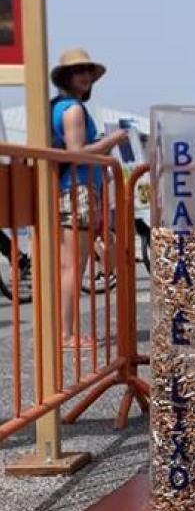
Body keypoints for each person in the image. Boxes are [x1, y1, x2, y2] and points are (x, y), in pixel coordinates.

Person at [50, 48, 128, 350]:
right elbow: (76, 150)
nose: (84, 76)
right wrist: (112, 141)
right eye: (78, 71)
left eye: (86, 71)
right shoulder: (73, 110)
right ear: (68, 77)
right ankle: (67, 334)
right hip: (78, 190)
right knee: (74, 265)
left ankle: (64, 331)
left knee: (70, 264)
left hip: (74, 188)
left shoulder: (59, 107)